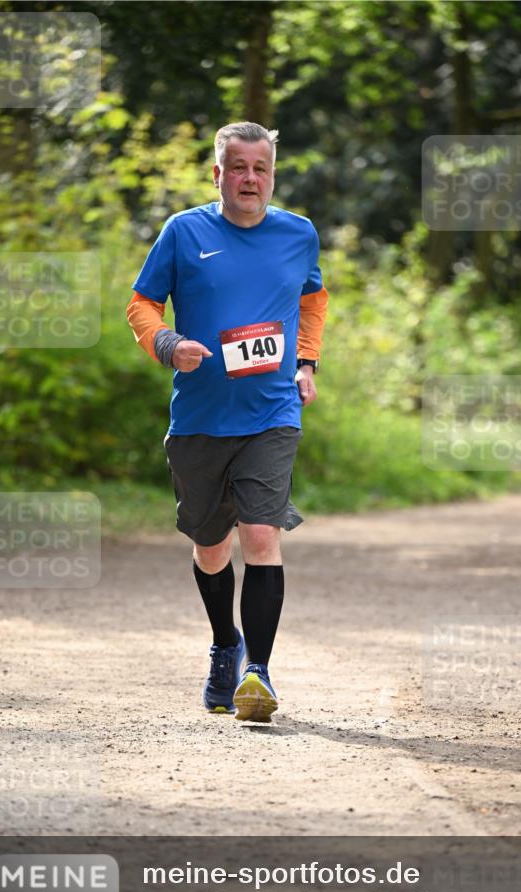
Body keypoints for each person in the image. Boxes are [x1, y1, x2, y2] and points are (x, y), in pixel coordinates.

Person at [126, 121, 328, 722]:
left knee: (261, 536)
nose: (249, 179)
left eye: (260, 169)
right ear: (218, 174)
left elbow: (311, 299)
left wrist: (307, 361)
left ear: (272, 174)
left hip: (271, 411)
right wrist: (167, 344)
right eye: (237, 168)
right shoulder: (184, 232)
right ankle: (225, 644)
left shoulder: (298, 234)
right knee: (210, 547)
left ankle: (258, 674)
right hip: (200, 417)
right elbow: (141, 303)